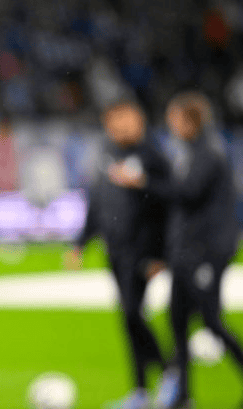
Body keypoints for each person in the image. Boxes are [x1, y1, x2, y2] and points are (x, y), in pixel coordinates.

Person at [114, 93, 243, 409]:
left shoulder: (208, 154)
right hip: (185, 253)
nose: (170, 124)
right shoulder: (189, 153)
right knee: (177, 321)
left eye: (174, 118)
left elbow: (187, 194)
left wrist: (142, 182)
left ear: (189, 121)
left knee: (211, 320)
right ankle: (182, 396)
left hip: (205, 253)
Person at [70, 101, 169, 409]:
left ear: (138, 121)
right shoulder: (106, 154)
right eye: (112, 121)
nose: (117, 127)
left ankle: (169, 370)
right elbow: (98, 203)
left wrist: (159, 254)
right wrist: (81, 243)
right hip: (115, 250)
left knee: (133, 313)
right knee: (128, 320)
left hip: (142, 251)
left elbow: (166, 206)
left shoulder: (152, 157)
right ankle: (140, 390)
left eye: (123, 120)